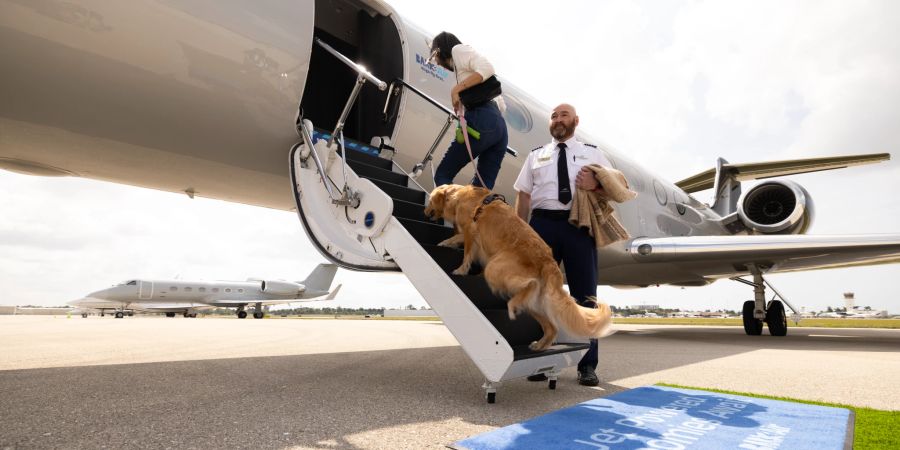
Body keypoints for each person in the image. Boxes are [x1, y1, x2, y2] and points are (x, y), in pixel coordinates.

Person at [513, 103, 611, 386]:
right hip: (542, 225)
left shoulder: (592, 153)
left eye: (563, 115)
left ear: (576, 121)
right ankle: (542, 361)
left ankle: (587, 365)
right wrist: (521, 234)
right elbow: (524, 196)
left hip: (578, 226)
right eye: (554, 116)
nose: (557, 119)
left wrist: (596, 184)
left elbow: (616, 186)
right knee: (540, 295)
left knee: (585, 295)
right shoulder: (536, 156)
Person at [429, 31, 509, 189]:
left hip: (484, 118)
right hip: (500, 128)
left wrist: (456, 90)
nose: (436, 63)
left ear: (438, 50)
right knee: (480, 190)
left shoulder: (458, 50)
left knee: (443, 175)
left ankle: (448, 213)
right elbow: (501, 107)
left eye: (434, 57)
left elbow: (488, 67)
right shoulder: (463, 70)